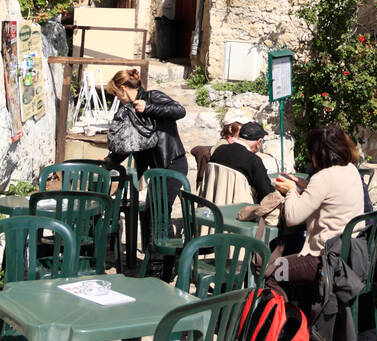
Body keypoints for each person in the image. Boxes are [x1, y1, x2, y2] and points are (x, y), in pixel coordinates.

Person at [272, 124, 366, 314]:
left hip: (324, 260)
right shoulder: (350, 170)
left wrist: (291, 191)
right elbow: (331, 196)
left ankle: (286, 326)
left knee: (273, 270)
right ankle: (301, 316)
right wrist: (304, 185)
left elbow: (292, 217)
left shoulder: (323, 177)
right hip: (349, 254)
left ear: (319, 152)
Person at [104, 66, 188, 278]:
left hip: (172, 164)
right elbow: (129, 142)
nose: (118, 98)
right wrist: (109, 160)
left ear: (123, 88)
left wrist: (149, 107)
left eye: (117, 93)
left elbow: (179, 110)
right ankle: (165, 266)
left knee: (158, 215)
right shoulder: (129, 109)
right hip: (156, 170)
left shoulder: (152, 97)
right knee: (155, 215)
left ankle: (159, 271)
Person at [207, 120, 274, 203]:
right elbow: (266, 194)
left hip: (213, 205)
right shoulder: (253, 160)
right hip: (239, 210)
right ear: (259, 142)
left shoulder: (219, 150)